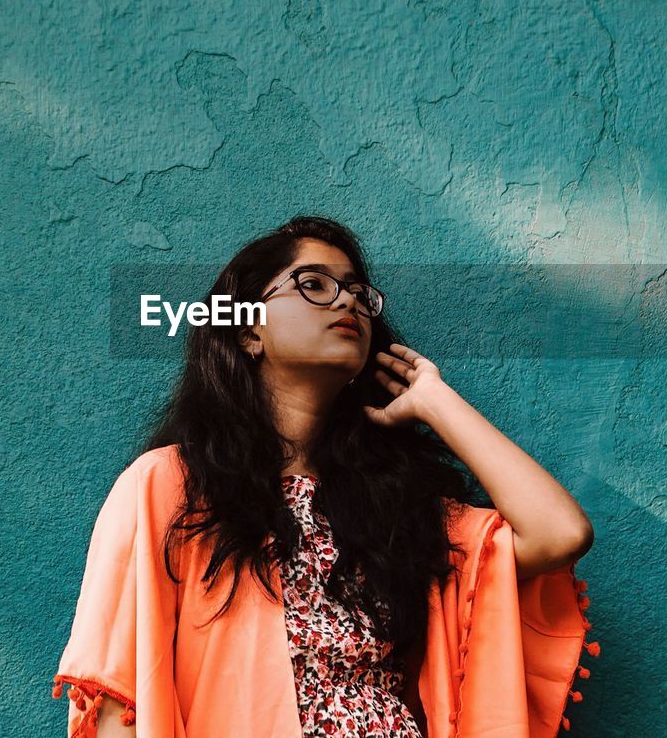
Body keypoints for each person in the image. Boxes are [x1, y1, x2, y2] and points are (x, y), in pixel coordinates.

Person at [52, 215, 600, 737]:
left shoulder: (393, 509)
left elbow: (559, 534)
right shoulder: (170, 487)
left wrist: (436, 401)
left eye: (359, 294)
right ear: (248, 332)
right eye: (313, 284)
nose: (347, 301)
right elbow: (118, 698)